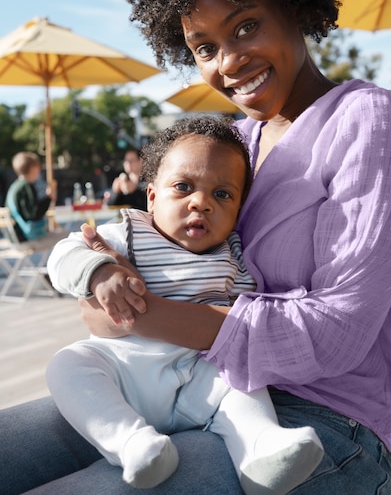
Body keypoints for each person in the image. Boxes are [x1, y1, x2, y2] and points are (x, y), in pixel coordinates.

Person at [1, 0, 391, 494]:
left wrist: (145, 313)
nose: (228, 61)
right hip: (171, 384)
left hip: (326, 425)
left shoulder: (371, 120)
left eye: (246, 26)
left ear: (295, 4)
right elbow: (103, 318)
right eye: (203, 46)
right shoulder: (231, 146)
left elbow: (338, 335)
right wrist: (107, 280)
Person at [46, 115, 323, 494]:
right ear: (152, 195)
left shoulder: (234, 256)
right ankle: (132, 444)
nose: (201, 203)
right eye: (183, 187)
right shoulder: (127, 234)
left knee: (241, 381)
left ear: (239, 211)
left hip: (197, 374)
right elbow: (63, 253)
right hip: (124, 370)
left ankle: (261, 448)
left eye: (222, 194)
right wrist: (97, 272)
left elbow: (249, 313)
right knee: (69, 364)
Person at [5, 151, 62, 243]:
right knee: (69, 238)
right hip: (27, 237)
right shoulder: (26, 187)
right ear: (33, 168)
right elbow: (34, 214)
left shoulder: (15, 186)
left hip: (15, 237)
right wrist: (49, 198)